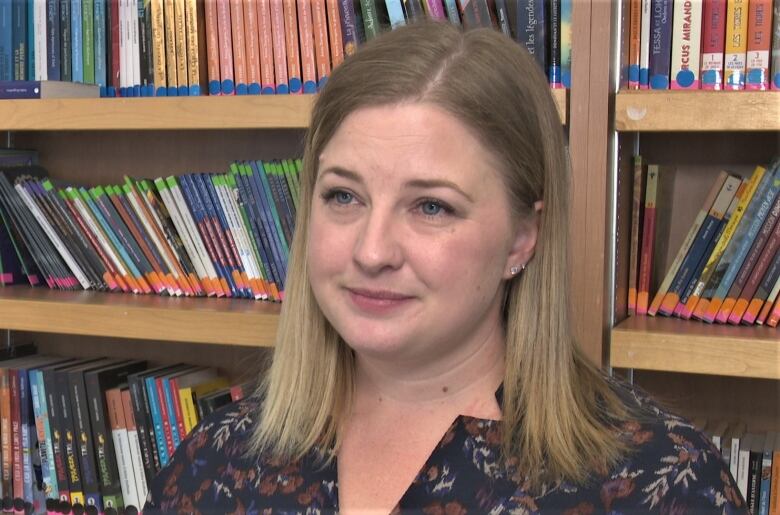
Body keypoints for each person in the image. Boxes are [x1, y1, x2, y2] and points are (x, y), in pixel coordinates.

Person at [144, 21, 746, 514]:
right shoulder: (216, 457)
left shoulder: (663, 482)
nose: (372, 251)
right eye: (343, 196)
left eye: (431, 206)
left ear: (522, 238)